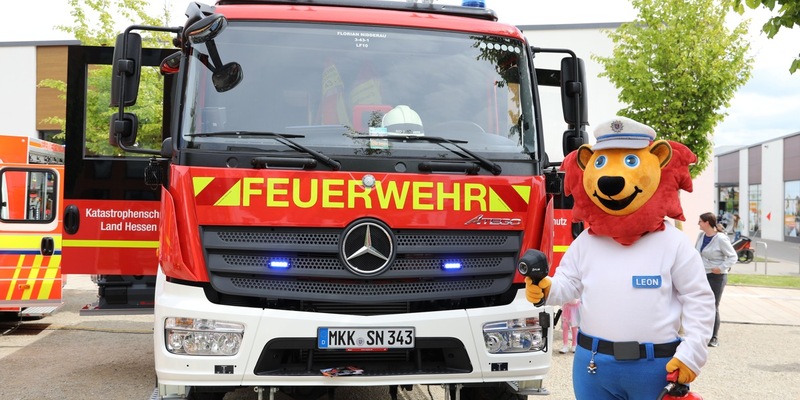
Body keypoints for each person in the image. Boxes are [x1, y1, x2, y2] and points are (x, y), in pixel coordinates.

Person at [696, 212, 737, 347]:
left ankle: (714, 337)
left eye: (700, 221)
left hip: (717, 277)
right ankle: (702, 334)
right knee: (701, 305)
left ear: (707, 223)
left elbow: (733, 257)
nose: (698, 224)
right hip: (703, 275)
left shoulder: (721, 238)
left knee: (713, 306)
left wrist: (721, 267)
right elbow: (696, 253)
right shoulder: (701, 236)